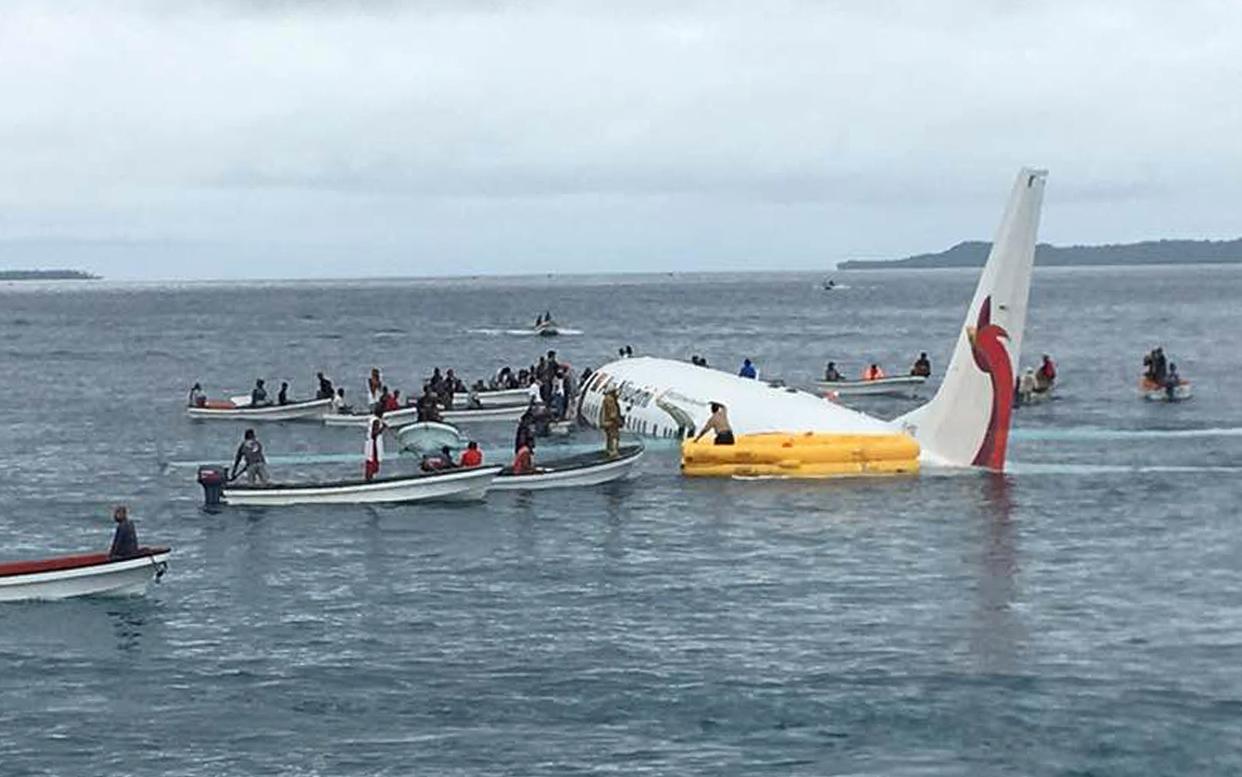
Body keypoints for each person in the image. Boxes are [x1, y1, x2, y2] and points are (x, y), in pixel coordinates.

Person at [600, 387, 624, 457]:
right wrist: (619, 421)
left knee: (609, 437)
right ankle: (614, 452)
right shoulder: (611, 400)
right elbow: (613, 415)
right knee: (615, 437)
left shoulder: (606, 399)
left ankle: (609, 450)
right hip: (611, 423)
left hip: (605, 421)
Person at [364, 409, 387, 481]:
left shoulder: (371, 418)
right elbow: (374, 434)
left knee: (369, 461)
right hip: (374, 444)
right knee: (373, 462)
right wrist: (383, 428)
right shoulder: (376, 421)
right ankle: (370, 478)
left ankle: (369, 478)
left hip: (369, 443)